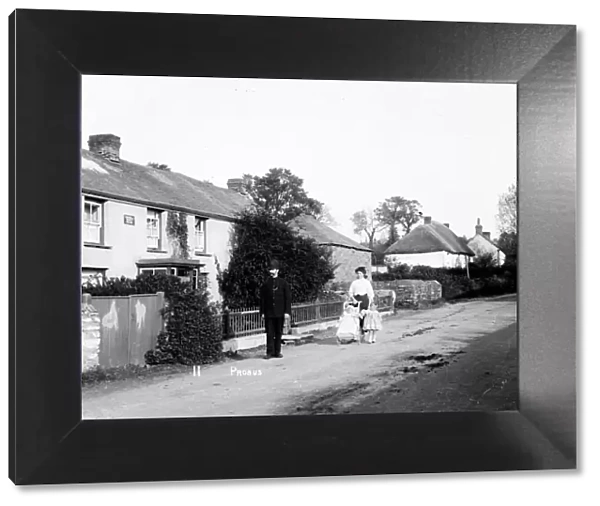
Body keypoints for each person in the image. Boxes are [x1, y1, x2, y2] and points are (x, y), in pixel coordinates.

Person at [259, 259, 291, 359]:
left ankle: (277, 351)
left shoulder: (283, 283)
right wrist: (262, 312)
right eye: (270, 270)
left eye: (272, 269)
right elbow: (262, 299)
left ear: (277, 270)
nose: (271, 272)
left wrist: (287, 312)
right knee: (269, 333)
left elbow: (287, 298)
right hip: (269, 313)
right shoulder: (266, 284)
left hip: (280, 312)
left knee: (278, 333)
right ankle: (269, 352)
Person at [348, 266, 374, 335]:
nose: (358, 275)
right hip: (356, 299)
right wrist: (353, 299)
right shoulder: (354, 283)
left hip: (364, 299)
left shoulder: (366, 282)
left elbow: (370, 293)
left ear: (363, 274)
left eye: (360, 273)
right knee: (356, 315)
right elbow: (350, 292)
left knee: (364, 314)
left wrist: (370, 302)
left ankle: (364, 328)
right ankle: (357, 330)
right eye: (358, 273)